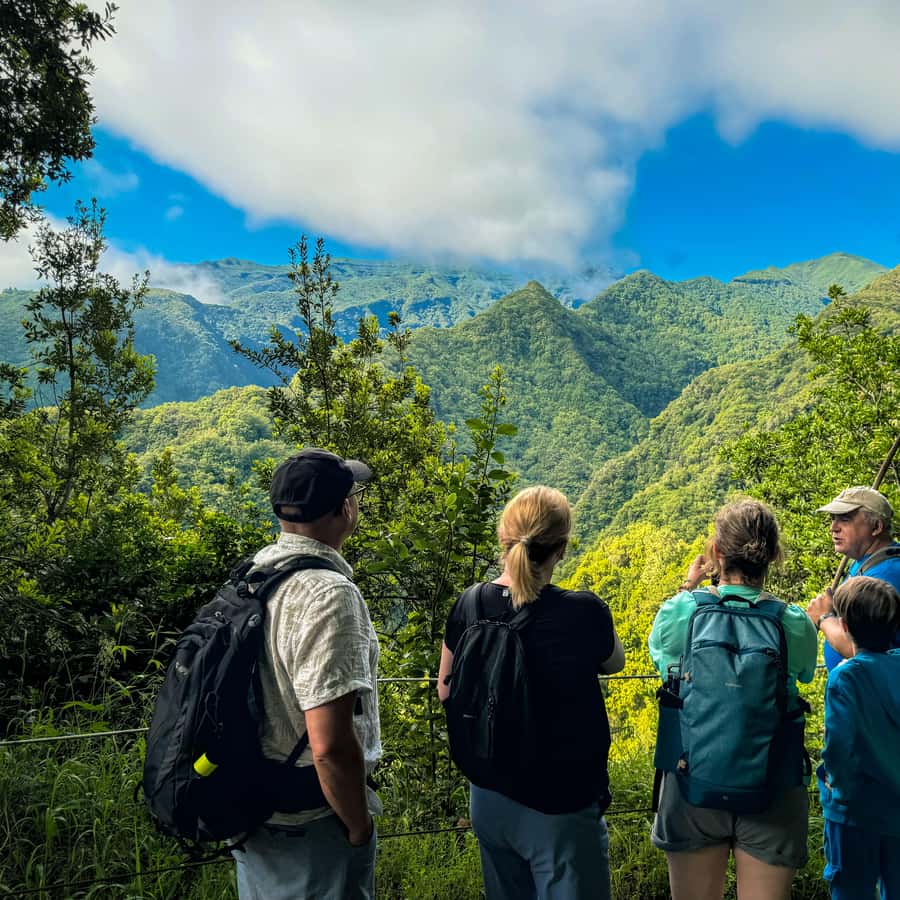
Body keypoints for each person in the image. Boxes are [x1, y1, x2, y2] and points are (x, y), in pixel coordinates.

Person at [437, 485, 625, 900]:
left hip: (488, 794)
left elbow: (445, 691)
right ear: (561, 549)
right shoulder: (582, 611)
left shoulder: (470, 603)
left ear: (503, 540)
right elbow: (615, 662)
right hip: (560, 802)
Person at [648, 499, 818, 900]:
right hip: (773, 784)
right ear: (772, 556)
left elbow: (664, 662)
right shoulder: (792, 621)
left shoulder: (682, 612)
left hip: (692, 780)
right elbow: (805, 675)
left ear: (718, 554)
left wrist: (689, 587)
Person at [232, 448, 381, 900]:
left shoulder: (256, 575)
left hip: (254, 806)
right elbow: (330, 745)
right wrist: (358, 826)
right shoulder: (330, 594)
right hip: (311, 821)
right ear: (344, 510)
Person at [817, 576, 900, 900]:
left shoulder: (846, 677)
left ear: (846, 625)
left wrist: (837, 787)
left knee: (850, 889)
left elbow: (839, 745)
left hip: (854, 813)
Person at [805, 487, 900, 671]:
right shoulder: (865, 561)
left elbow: (864, 650)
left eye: (845, 519)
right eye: (833, 519)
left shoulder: (886, 577)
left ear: (876, 527)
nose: (833, 528)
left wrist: (824, 618)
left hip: (874, 694)